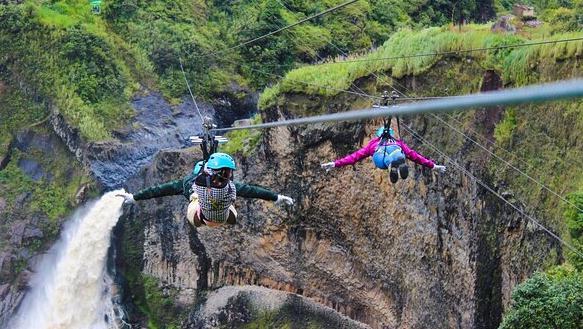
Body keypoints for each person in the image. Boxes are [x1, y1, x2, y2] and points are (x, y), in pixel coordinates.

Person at [118, 153, 294, 227]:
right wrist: (276, 197)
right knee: (229, 202)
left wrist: (135, 197)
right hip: (226, 219)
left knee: (195, 200)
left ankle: (197, 202)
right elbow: (253, 191)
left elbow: (159, 190)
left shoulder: (189, 183)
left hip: (199, 218)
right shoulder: (231, 187)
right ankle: (215, 207)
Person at [320, 127, 446, 183]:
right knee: (397, 154)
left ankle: (392, 165)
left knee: (388, 158)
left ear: (379, 134)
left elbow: (354, 157)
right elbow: (415, 156)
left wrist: (335, 163)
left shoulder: (373, 143)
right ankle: (397, 162)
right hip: (395, 150)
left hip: (379, 155)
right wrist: (433, 166)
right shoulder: (398, 142)